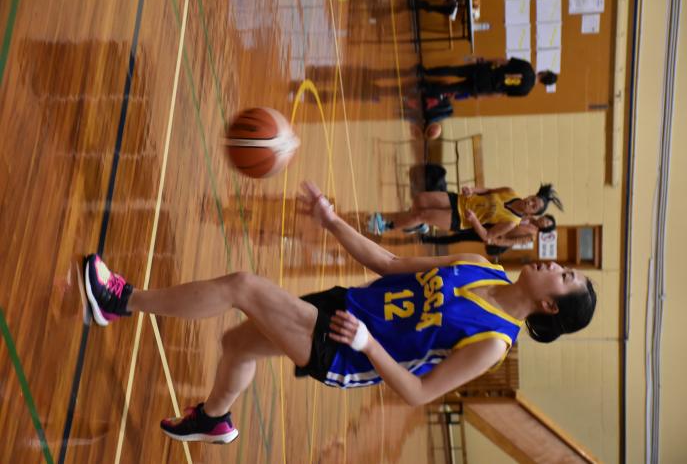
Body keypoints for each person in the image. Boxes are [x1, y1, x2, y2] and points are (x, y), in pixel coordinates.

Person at [83, 181, 594, 444]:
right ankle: (214, 419)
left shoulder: (492, 342)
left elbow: (418, 393)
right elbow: (390, 263)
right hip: (344, 305)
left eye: (565, 276)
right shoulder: (482, 266)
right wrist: (332, 222)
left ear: (549, 305)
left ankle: (119, 300)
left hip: (347, 351)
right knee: (236, 344)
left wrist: (367, 344)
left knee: (243, 286)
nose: (555, 264)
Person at [368, 184, 563, 243]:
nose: (530, 203)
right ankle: (416, 225)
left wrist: (475, 220)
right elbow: (487, 190)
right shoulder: (510, 191)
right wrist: (473, 190)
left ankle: (384, 226)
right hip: (460, 200)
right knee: (420, 200)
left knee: (422, 215)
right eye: (533, 199)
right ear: (531, 194)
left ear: (532, 213)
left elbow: (487, 236)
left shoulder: (511, 222)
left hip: (461, 219)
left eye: (534, 206)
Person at [419, 57, 558, 99]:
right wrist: (482, 95)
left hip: (486, 71)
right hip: (486, 87)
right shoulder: (525, 91)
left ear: (545, 73)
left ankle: (426, 72)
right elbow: (501, 94)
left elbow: (503, 61)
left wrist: (485, 60)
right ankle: (426, 88)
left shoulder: (527, 66)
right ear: (544, 84)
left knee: (454, 71)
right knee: (453, 88)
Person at [420, 214, 556, 251]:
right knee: (461, 224)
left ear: (545, 228)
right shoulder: (529, 215)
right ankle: (431, 222)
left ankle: (428, 239)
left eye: (547, 224)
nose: (544, 221)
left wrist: (494, 241)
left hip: (493, 234)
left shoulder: (532, 236)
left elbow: (511, 242)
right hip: (492, 221)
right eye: (546, 219)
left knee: (460, 236)